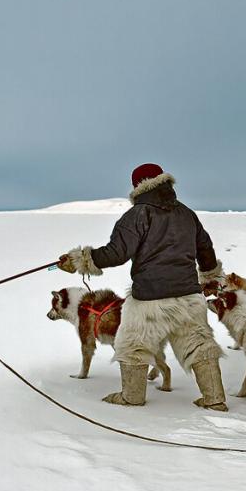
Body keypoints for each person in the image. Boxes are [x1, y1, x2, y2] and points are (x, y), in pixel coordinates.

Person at [57, 163, 228, 411]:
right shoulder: (187, 214)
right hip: (189, 298)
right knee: (199, 345)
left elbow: (116, 253)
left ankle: (132, 396)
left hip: (149, 301)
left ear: (138, 186)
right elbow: (205, 249)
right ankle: (215, 399)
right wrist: (210, 277)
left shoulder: (137, 215)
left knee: (132, 345)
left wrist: (79, 260)